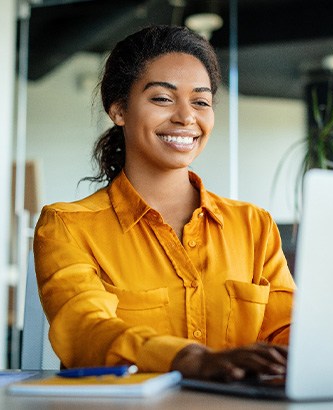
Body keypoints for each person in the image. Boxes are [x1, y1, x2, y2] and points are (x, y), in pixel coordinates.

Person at [33, 25, 295, 381]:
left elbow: (289, 331)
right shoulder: (67, 226)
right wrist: (188, 359)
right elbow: (84, 330)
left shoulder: (253, 226)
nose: (187, 117)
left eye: (200, 101)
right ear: (119, 109)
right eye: (162, 98)